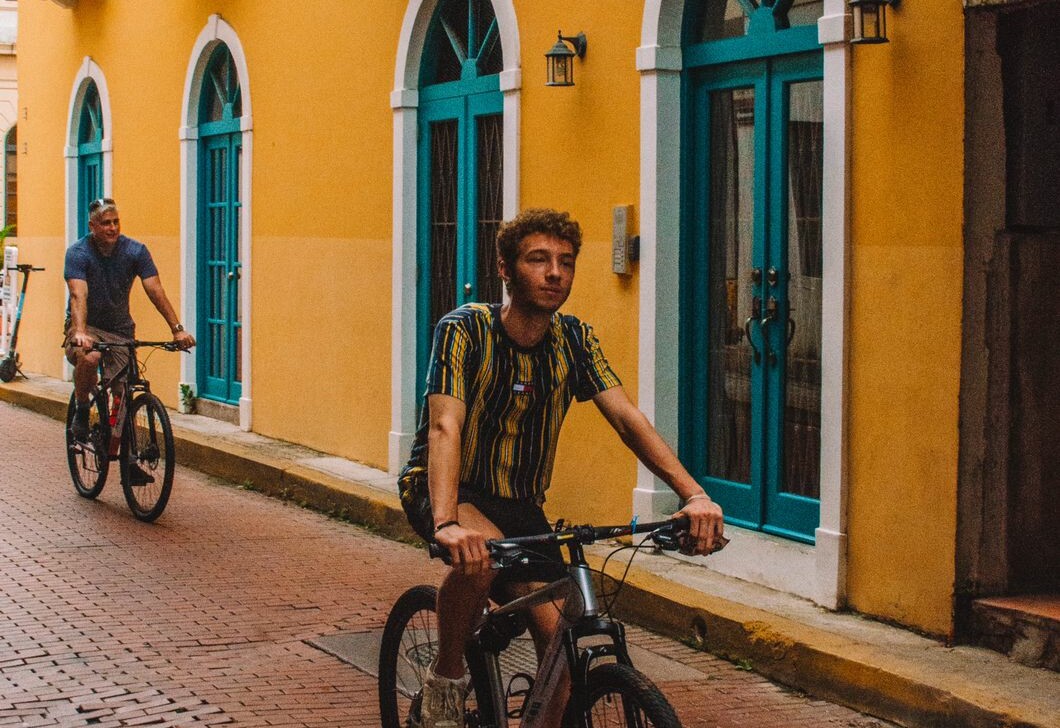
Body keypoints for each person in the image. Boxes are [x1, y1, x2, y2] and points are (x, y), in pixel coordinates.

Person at [397, 208, 726, 728]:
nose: (555, 273)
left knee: (564, 648)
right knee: (477, 563)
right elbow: (445, 428)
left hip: (522, 503)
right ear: (505, 268)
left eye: (566, 262)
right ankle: (446, 679)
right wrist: (446, 523)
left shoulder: (573, 339)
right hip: (448, 489)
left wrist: (694, 496)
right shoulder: (464, 330)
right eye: (538, 260)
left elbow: (627, 420)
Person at [64, 198, 195, 480]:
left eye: (116, 222)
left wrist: (177, 328)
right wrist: (80, 332)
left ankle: (128, 457)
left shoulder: (135, 251)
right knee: (90, 357)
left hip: (121, 330)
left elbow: (155, 290)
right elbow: (78, 295)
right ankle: (84, 409)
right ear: (92, 226)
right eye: (106, 223)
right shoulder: (78, 253)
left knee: (123, 391)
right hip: (86, 326)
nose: (112, 228)